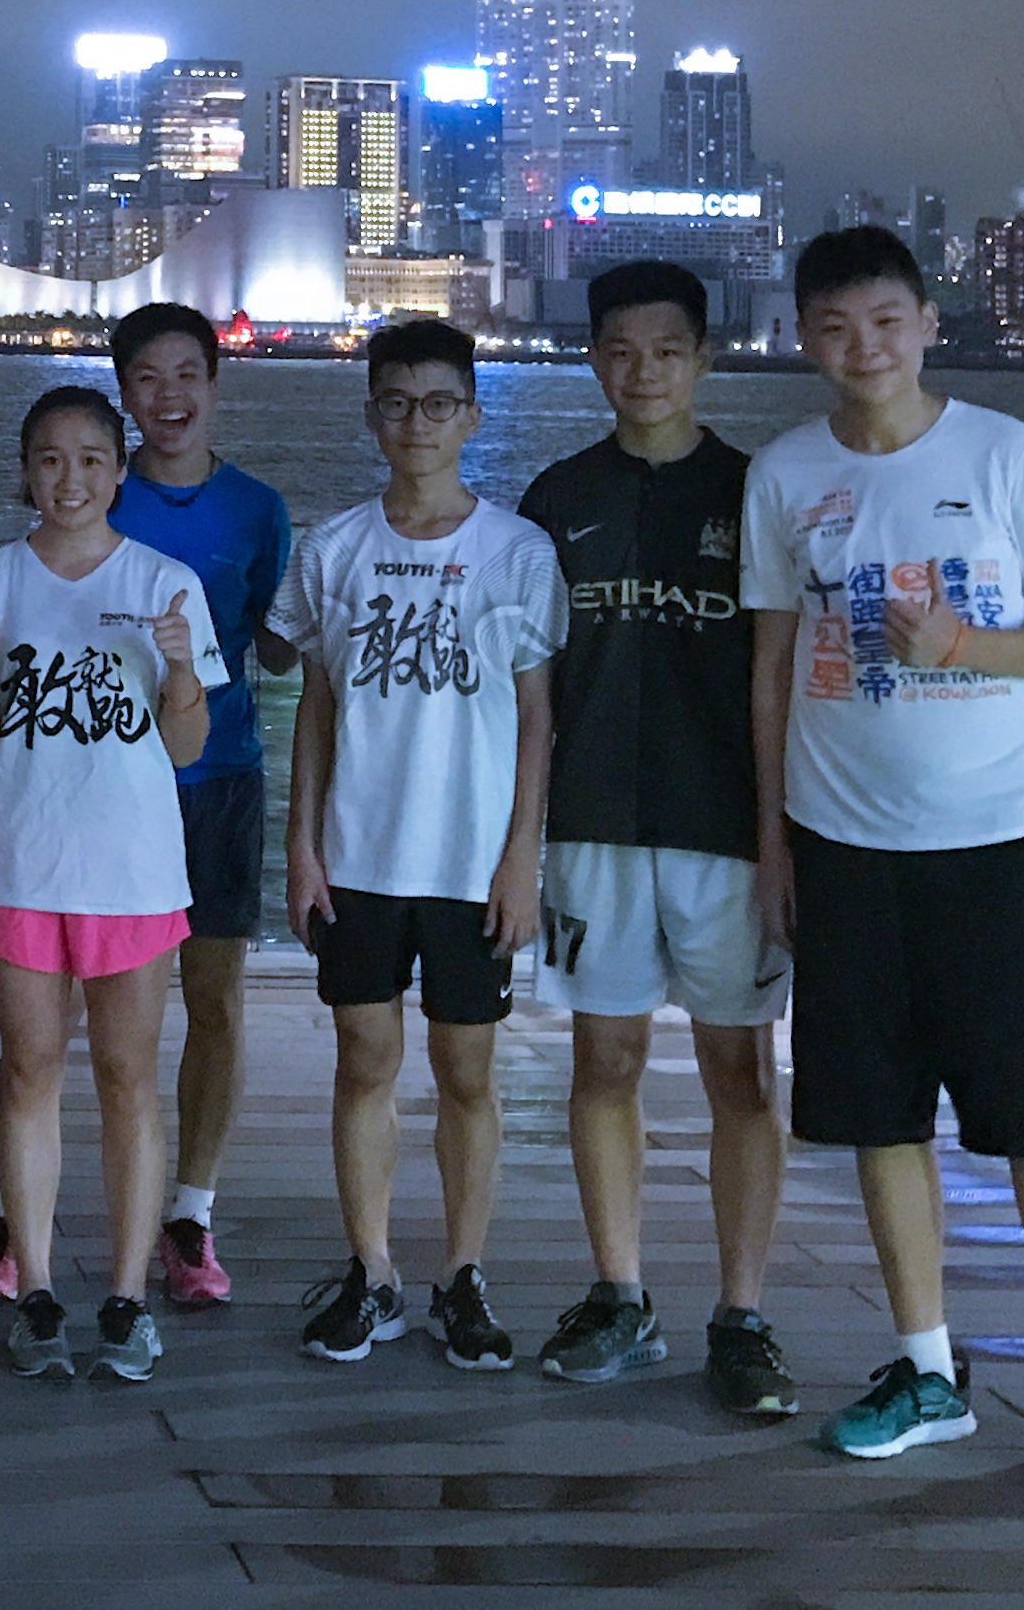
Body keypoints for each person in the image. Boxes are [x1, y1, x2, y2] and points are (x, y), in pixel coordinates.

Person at [745, 227, 1024, 1519]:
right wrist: (773, 841)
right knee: (879, 1120)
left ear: (929, 323)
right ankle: (926, 1365)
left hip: (999, 846)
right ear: (804, 339)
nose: (863, 348)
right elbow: (770, 668)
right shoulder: (785, 474)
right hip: (842, 846)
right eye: (834, 327)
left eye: (886, 321)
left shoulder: (1004, 453)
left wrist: (961, 644)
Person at [517, 261, 801, 1416]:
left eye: (668, 351)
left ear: (704, 358)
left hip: (726, 830)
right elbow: (529, 689)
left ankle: (742, 1313)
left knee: (742, 1071)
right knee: (605, 1063)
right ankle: (621, 1293)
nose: (644, 373)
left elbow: (783, 678)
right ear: (594, 359)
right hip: (592, 826)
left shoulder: (756, 492)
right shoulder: (557, 498)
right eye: (622, 352)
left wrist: (782, 839)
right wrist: (521, 842)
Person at [274, 317, 563, 1371]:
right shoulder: (335, 548)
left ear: (472, 417)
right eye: (396, 404)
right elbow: (315, 710)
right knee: (364, 1061)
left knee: (467, 1069)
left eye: (439, 404)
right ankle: (374, 1272)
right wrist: (301, 847)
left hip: (469, 860)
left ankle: (464, 1275)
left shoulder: (517, 552)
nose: (417, 424)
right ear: (372, 417)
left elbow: (535, 718)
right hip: (359, 854)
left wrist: (522, 857)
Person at [0, 302, 286, 1311]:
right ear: (122, 395)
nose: (168, 397)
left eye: (186, 375)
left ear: (214, 383)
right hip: (84, 794)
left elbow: (276, 638)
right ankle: (11, 1213)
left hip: (215, 779)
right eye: (146, 379)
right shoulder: (82, 500)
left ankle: (190, 1211)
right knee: (40, 1027)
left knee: (212, 1001)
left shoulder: (256, 510)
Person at [0, 387, 218, 1383]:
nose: (71, 479)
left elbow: (186, 744)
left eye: (92, 459)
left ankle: (129, 1298)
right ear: (26, 471)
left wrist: (179, 670)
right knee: (30, 1069)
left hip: (133, 868)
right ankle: (40, 1288)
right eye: (51, 460)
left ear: (120, 471)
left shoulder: (165, 583)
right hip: (22, 859)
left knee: (128, 1076)